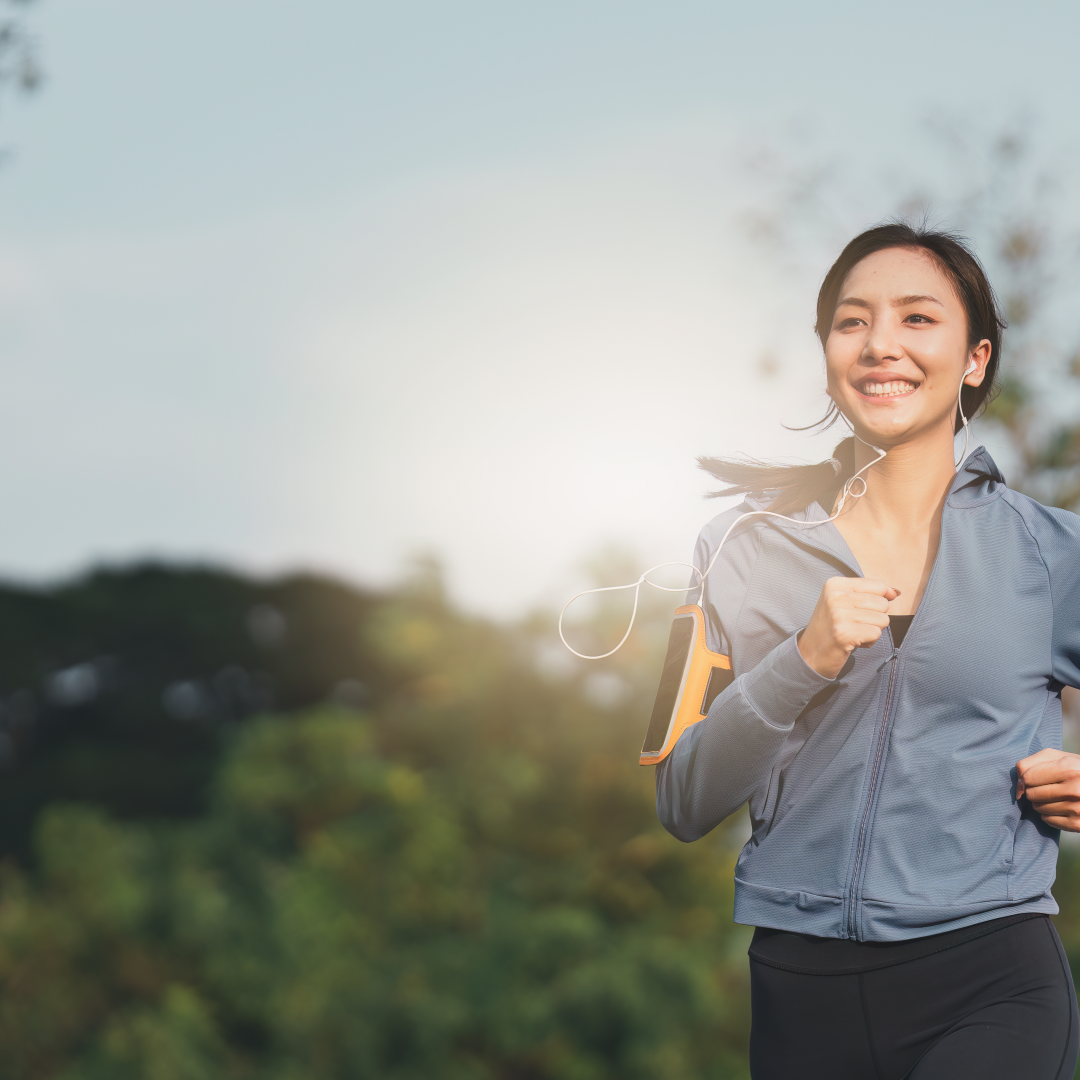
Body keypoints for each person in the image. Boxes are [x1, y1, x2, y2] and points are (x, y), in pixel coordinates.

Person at [656, 223, 1080, 1079]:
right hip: (796, 984)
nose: (881, 343)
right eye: (852, 322)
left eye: (918, 319)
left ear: (975, 358)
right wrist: (802, 660)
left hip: (992, 972)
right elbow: (683, 798)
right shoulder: (737, 551)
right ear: (827, 353)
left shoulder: (1051, 553)